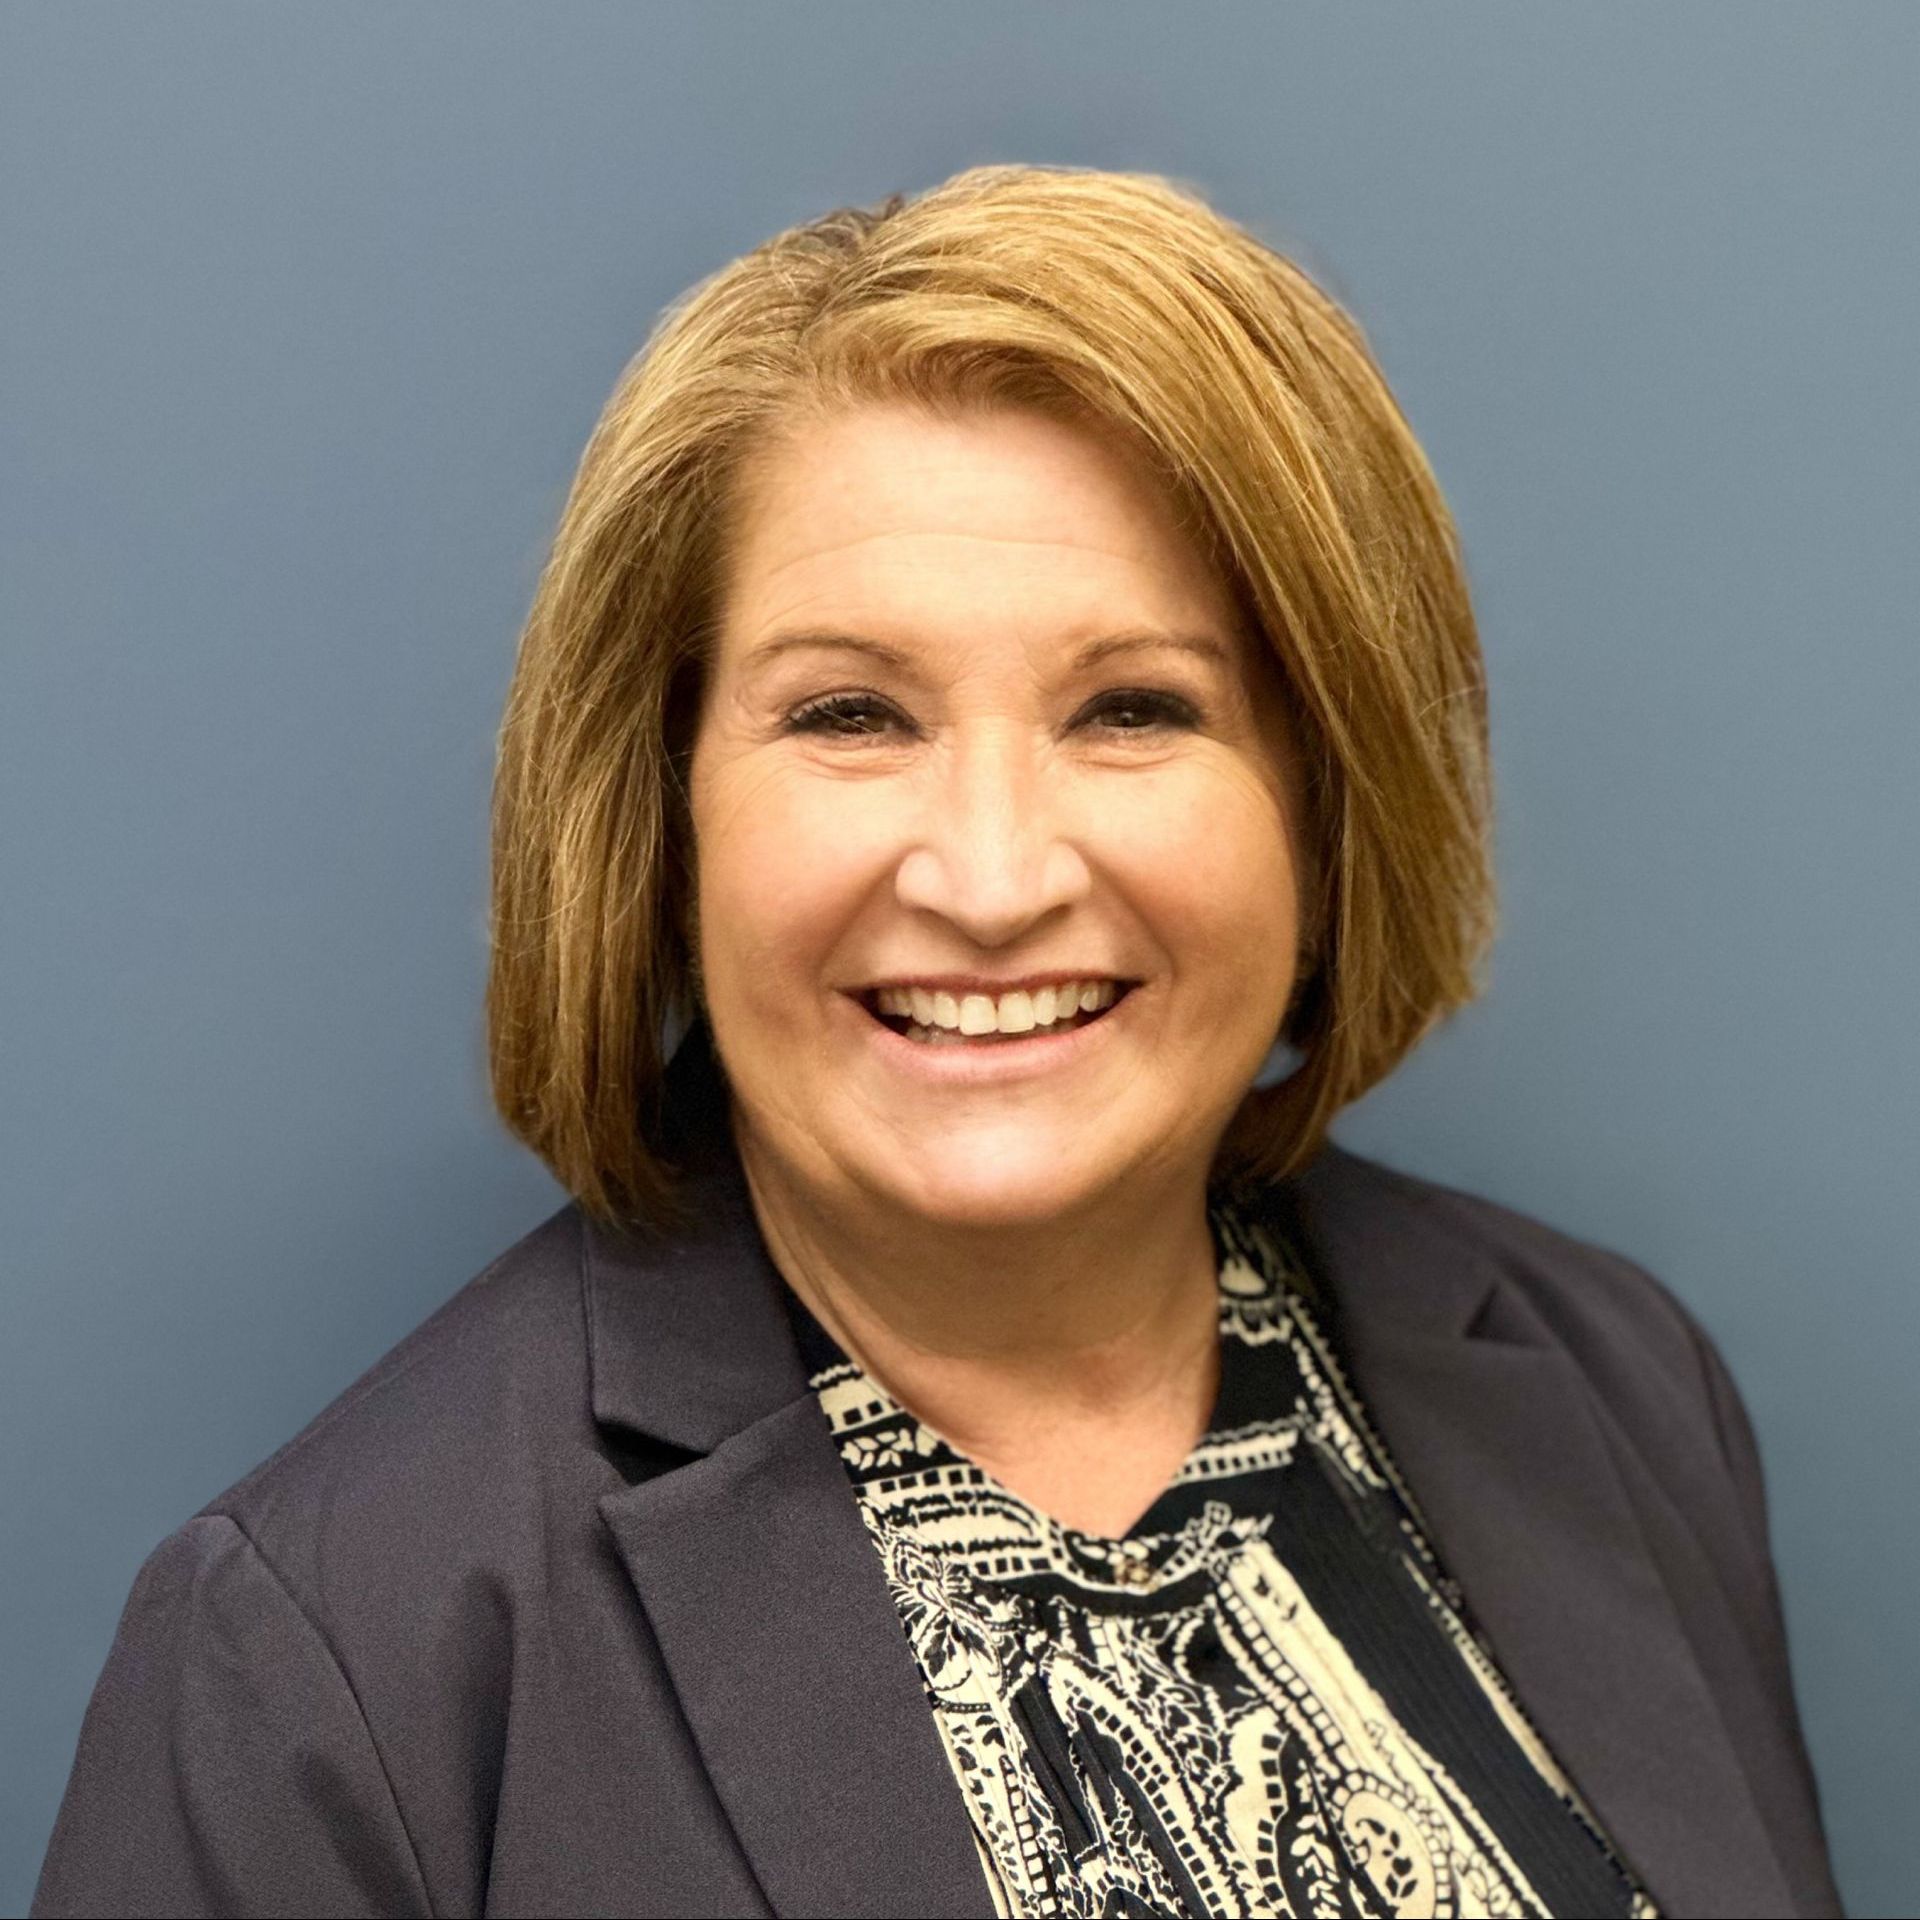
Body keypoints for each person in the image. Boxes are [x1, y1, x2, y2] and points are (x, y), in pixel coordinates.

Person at [34, 164, 1840, 1920]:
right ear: (659, 820)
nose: (989, 878)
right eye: (850, 714)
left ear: (1321, 798)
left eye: (1136, 709)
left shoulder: (1612, 1382)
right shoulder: (325, 1660)